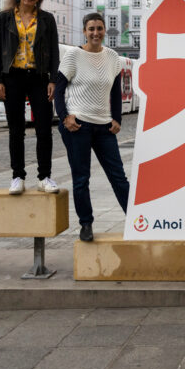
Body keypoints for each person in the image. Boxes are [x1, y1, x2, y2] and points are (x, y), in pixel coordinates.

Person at [54, 13, 130, 242]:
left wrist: (117, 118)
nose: (95, 33)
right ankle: (86, 224)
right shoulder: (73, 55)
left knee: (119, 177)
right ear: (84, 31)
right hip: (78, 126)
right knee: (81, 178)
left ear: (105, 30)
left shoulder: (113, 57)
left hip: (104, 126)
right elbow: (58, 90)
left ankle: (136, 218)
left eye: (99, 28)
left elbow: (116, 90)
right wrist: (65, 117)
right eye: (91, 29)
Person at [0, 0, 60, 195]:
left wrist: (53, 79)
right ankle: (17, 176)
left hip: (39, 76)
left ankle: (44, 177)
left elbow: (54, 51)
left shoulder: (47, 19)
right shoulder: (4, 18)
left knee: (44, 129)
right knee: (16, 130)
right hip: (12, 77)